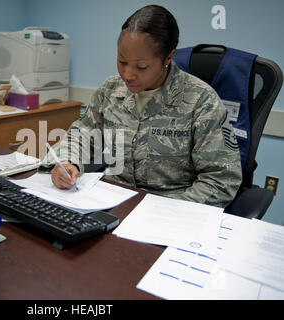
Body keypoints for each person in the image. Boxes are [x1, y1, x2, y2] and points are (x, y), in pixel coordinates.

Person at [46, 5, 242, 208]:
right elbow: (82, 135)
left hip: (169, 211)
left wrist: (166, 209)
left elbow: (221, 181)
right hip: (111, 201)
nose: (128, 75)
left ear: (168, 57)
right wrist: (67, 163)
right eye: (122, 62)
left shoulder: (202, 101)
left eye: (141, 67)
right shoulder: (111, 90)